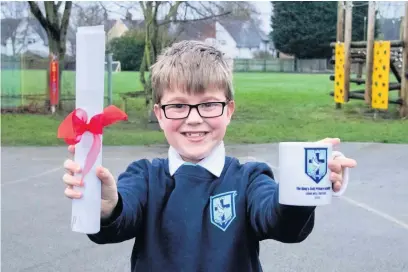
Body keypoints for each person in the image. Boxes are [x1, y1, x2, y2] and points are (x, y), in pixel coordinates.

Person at [62, 40, 357, 271]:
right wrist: (105, 207)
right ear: (159, 114)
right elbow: (120, 216)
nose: (193, 119)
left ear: (228, 110)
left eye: (208, 105)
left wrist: (301, 187)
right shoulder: (145, 177)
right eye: (178, 106)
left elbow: (280, 222)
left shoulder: (249, 179)